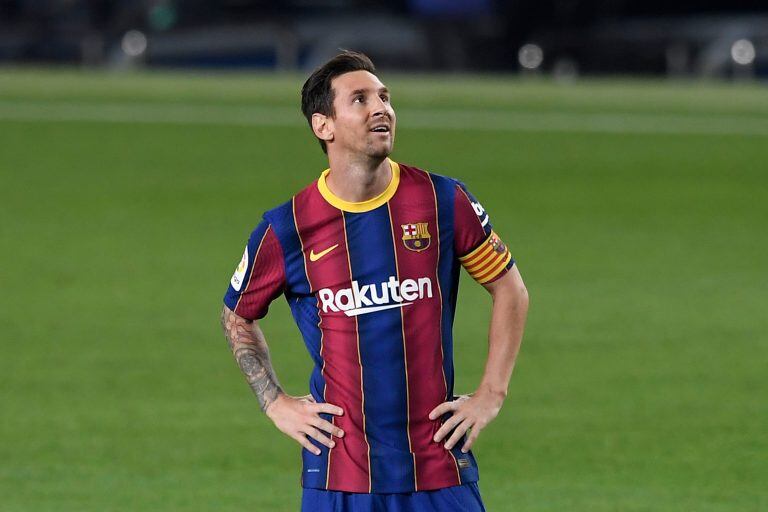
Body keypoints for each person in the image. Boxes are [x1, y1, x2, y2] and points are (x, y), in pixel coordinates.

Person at [220, 50, 529, 512]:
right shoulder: (288, 229)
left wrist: (491, 394)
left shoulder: (443, 200)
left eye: (384, 97)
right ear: (323, 126)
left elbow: (510, 288)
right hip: (339, 475)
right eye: (360, 100)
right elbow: (237, 315)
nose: (381, 109)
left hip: (438, 466)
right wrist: (275, 403)